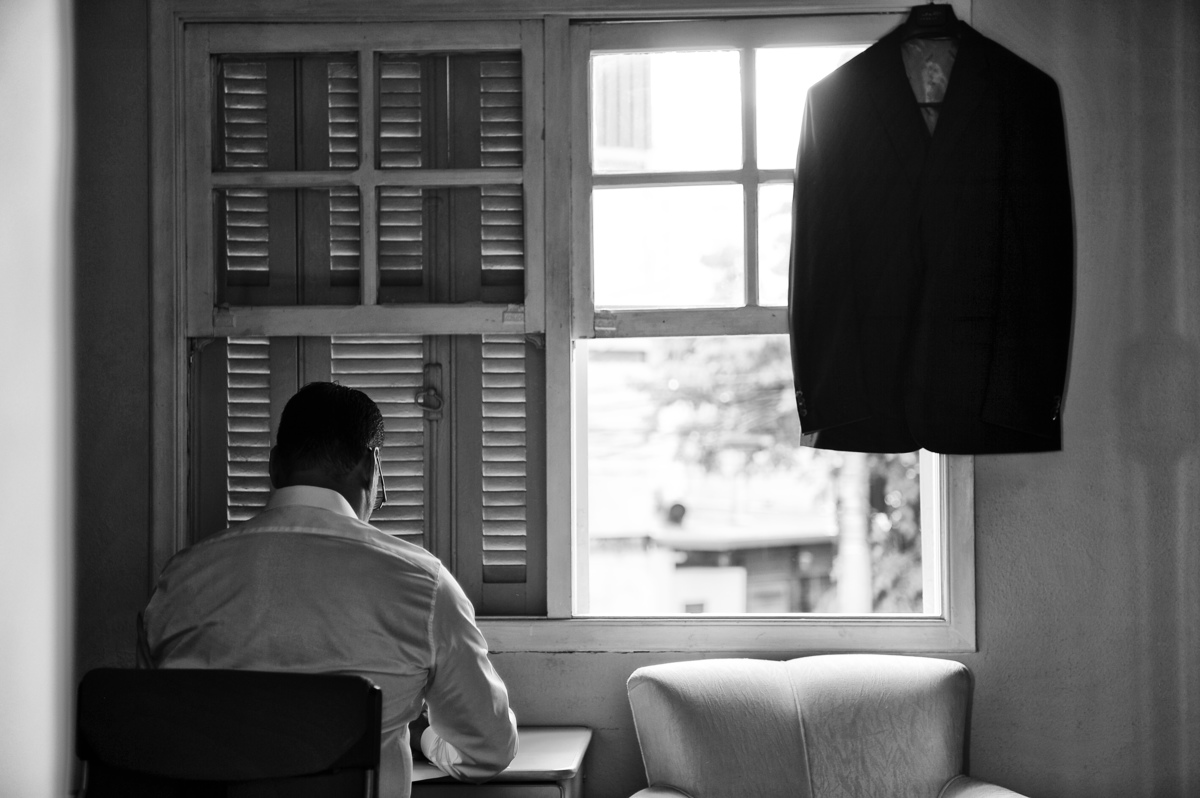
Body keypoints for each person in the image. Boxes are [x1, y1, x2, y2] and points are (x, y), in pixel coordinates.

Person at [140, 381, 518, 798]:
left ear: (274, 467)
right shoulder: (423, 585)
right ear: (370, 466)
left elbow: (156, 735)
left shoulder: (182, 579)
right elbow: (489, 749)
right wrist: (424, 738)